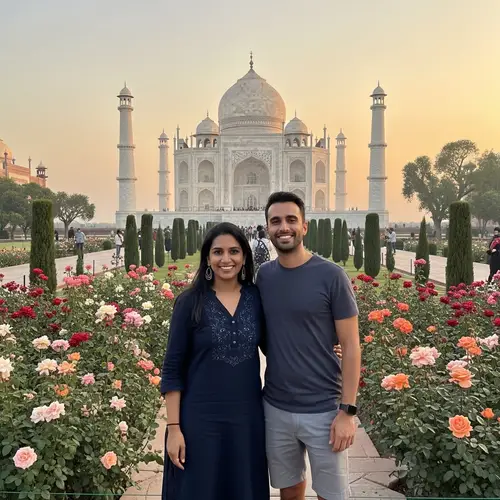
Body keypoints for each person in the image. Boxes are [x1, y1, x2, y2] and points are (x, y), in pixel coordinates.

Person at [256, 191, 361, 500]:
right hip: (276, 405)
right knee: (289, 489)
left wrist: (347, 412)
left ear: (304, 226)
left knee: (332, 494)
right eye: (276, 221)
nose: (283, 227)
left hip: (324, 409)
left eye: (291, 220)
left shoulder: (331, 276)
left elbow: (351, 345)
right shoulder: (264, 277)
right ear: (267, 229)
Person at [160, 222, 269, 500]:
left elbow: (277, 347)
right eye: (217, 252)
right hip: (199, 422)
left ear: (244, 257)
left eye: (234, 251)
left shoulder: (256, 299)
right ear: (207, 258)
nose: (226, 259)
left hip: (246, 421)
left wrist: (326, 349)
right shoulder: (190, 302)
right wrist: (174, 429)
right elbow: (172, 369)